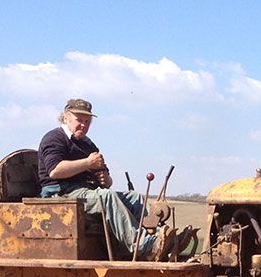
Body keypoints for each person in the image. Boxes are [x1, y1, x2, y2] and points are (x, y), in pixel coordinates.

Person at [38, 98, 175, 261]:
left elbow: (108, 183)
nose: (83, 125)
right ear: (66, 117)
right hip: (62, 194)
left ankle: (159, 235)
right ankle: (142, 245)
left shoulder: (87, 144)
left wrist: (104, 178)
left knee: (134, 197)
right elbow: (54, 170)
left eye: (87, 122)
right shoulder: (54, 138)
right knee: (106, 197)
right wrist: (87, 163)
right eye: (79, 120)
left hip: (86, 192)